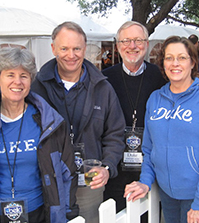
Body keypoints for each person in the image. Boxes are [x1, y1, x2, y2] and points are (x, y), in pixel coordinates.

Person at [31, 21, 125, 223]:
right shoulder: (36, 88)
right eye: (64, 48)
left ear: (85, 49)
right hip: (48, 182)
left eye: (77, 48)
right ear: (53, 48)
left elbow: (115, 134)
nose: (71, 55)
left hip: (88, 182)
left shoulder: (103, 88)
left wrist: (106, 167)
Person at [124, 36, 199, 223]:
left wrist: (198, 203)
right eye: (169, 58)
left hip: (194, 195)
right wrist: (145, 181)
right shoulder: (156, 98)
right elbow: (149, 149)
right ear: (163, 63)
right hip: (166, 193)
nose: (175, 63)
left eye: (182, 57)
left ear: (192, 62)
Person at [0, 47, 78, 223]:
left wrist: (65, 213)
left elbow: (67, 172)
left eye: (24, 76)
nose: (17, 82)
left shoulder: (48, 122)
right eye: (10, 75)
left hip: (39, 212)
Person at [102, 21, 166, 214]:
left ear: (146, 44)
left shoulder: (161, 77)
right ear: (118, 45)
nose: (132, 46)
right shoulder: (104, 79)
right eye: (126, 41)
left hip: (151, 169)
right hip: (115, 168)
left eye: (138, 40)